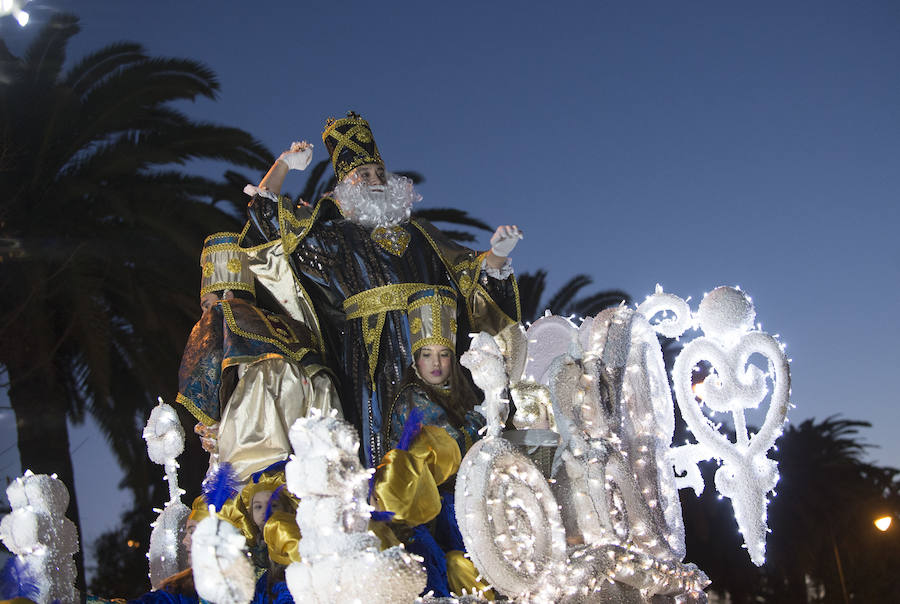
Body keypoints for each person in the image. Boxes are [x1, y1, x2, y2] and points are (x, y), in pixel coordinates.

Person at [244, 112, 522, 467]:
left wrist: (496, 257)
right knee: (382, 446)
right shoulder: (331, 237)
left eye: (379, 174)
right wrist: (283, 164)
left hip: (430, 345)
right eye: (364, 174)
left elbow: (467, 277)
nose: (375, 181)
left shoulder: (422, 234)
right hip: (368, 354)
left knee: (449, 443)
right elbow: (267, 222)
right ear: (345, 184)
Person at [176, 233, 341, 482]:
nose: (204, 318)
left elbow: (251, 461)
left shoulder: (261, 369)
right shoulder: (291, 339)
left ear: (228, 299)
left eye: (208, 306)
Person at [373, 289, 493, 599]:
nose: (435, 363)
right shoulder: (411, 399)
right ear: (415, 360)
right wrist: (479, 423)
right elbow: (446, 447)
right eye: (427, 355)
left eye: (443, 354)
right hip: (430, 508)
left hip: (470, 494)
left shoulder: (467, 395)